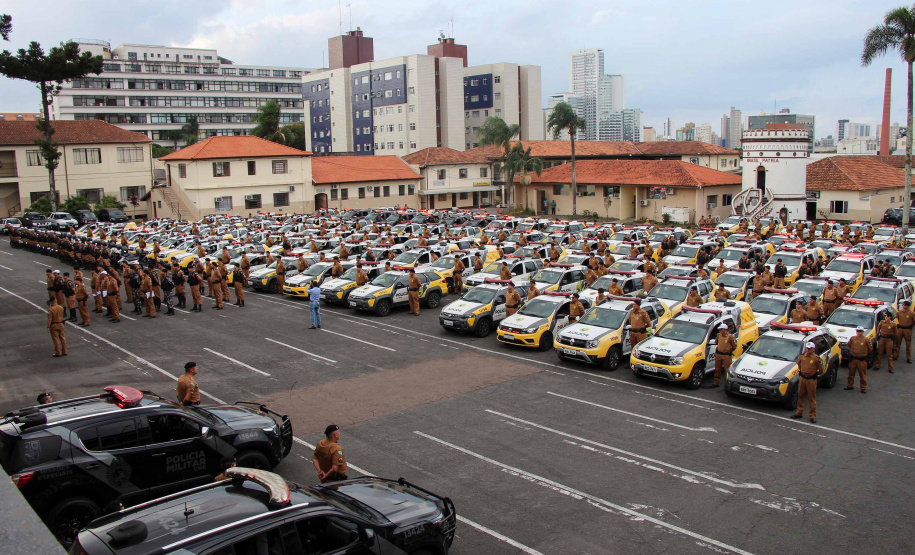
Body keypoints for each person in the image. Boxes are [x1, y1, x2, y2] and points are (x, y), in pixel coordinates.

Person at [792, 342, 823, 423]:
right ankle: (799, 412)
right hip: (803, 378)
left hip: (811, 380)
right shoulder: (802, 356)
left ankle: (813, 415)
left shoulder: (816, 358)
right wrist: (802, 372)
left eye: (809, 349)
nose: (807, 350)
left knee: (811, 398)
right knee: (800, 395)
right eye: (807, 348)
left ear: (813, 349)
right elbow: (798, 364)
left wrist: (814, 375)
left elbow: (821, 370)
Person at [709, 323, 737, 388]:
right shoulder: (719, 335)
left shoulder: (730, 337)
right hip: (719, 354)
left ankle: (728, 384)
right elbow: (716, 342)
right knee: (717, 370)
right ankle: (716, 383)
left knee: (727, 370)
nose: (720, 331)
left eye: (721, 330)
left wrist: (729, 351)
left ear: (724, 329)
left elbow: (734, 346)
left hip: (726, 356)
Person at [845, 326, 871, 393]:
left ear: (862, 332)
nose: (858, 332)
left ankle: (863, 387)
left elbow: (870, 349)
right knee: (851, 373)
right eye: (857, 331)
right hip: (853, 359)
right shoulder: (853, 338)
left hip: (861, 360)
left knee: (862, 374)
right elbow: (849, 344)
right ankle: (850, 385)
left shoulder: (866, 339)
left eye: (860, 331)